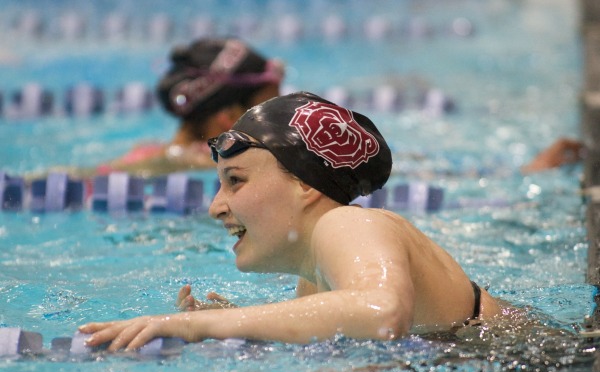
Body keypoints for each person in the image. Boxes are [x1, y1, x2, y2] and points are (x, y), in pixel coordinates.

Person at [79, 91, 503, 351]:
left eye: (235, 181)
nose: (215, 207)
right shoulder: (316, 276)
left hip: (534, 366)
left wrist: (200, 324)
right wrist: (248, 323)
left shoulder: (350, 225)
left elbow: (382, 312)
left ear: (305, 184)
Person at [40, 37, 284, 179]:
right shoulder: (199, 161)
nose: (281, 121)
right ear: (228, 116)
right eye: (269, 109)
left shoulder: (152, 150)